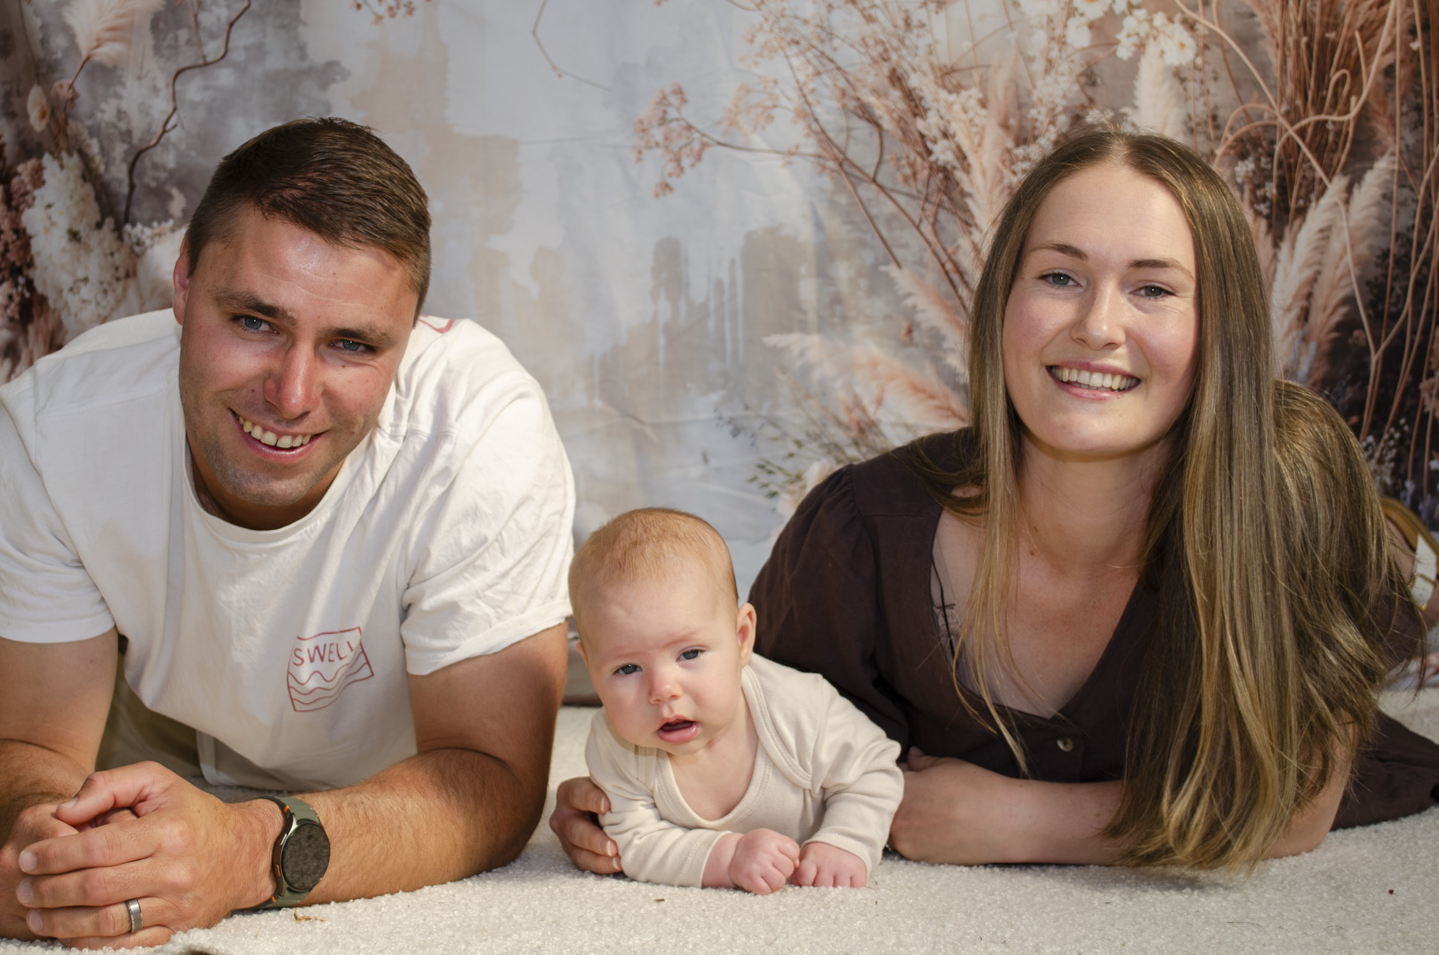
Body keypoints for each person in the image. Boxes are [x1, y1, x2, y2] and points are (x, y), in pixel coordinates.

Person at [552, 127, 1439, 873]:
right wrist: (632, 799)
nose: (1097, 325)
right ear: (1001, 304)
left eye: (1154, 289)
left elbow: (1298, 808)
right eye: (1059, 276)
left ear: (1220, 331)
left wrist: (1028, 822)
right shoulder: (858, 537)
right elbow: (747, 739)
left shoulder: (1287, 480)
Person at [0, 118, 576, 946]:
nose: (291, 393)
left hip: (199, 709)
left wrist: (244, 852)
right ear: (181, 286)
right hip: (127, 667)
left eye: (352, 344)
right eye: (253, 322)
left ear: (411, 338)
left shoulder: (480, 438)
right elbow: (20, 743)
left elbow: (492, 781)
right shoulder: (61, 427)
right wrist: (56, 854)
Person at [571, 508, 902, 893]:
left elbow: (872, 768)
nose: (662, 690)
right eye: (627, 668)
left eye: (689, 654)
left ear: (742, 637)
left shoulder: (799, 707)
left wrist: (845, 841)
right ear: (591, 668)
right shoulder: (614, 744)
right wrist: (728, 857)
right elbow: (635, 840)